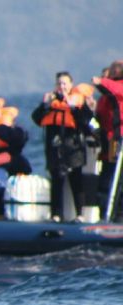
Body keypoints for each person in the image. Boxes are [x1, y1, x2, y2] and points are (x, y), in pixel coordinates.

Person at [31, 71, 95, 221]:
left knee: (76, 181)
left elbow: (86, 121)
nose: (62, 86)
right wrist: (44, 105)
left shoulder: (78, 102)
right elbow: (36, 118)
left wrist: (74, 108)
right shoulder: (51, 103)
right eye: (59, 83)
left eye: (65, 83)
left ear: (71, 85)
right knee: (57, 180)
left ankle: (80, 214)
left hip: (73, 148)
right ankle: (56, 214)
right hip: (55, 148)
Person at [94, 60, 123, 220]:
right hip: (108, 142)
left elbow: (113, 89)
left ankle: (117, 214)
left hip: (117, 140)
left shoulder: (117, 90)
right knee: (107, 175)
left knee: (115, 174)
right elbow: (97, 121)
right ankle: (105, 212)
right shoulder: (103, 100)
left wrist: (101, 82)